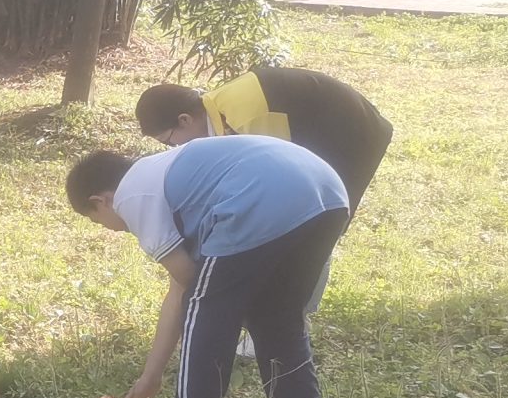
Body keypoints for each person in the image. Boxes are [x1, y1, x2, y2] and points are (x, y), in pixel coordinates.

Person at [65, 137, 351, 398]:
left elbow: (191, 285)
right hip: (327, 195)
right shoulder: (174, 176)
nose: (107, 228)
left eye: (95, 220)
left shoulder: (131, 193)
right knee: (277, 318)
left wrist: (230, 304)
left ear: (100, 201)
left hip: (260, 198)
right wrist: (151, 375)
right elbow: (183, 287)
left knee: (205, 309)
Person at [133, 68, 393, 327]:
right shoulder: (219, 114)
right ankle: (276, 312)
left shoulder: (247, 116)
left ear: (185, 120)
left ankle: (290, 318)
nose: (175, 149)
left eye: (169, 142)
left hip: (352, 134)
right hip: (313, 130)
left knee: (315, 218)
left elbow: (279, 182)